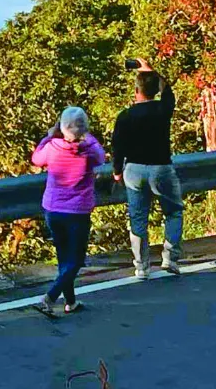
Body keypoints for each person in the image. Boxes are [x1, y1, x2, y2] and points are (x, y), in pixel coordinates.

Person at [30, 106, 107, 317]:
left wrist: (48, 136)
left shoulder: (53, 147)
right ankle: (50, 297)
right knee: (77, 259)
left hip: (53, 209)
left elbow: (36, 159)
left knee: (65, 258)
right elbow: (101, 157)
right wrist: (87, 135)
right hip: (78, 211)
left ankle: (70, 301)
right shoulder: (89, 150)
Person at [111, 58, 182, 279]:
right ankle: (170, 259)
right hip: (161, 168)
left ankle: (141, 267)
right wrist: (151, 70)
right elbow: (168, 91)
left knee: (138, 218)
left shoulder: (125, 116)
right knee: (173, 212)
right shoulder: (163, 109)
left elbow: (117, 147)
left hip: (133, 170)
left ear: (136, 91)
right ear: (154, 90)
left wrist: (116, 172)